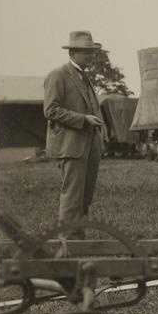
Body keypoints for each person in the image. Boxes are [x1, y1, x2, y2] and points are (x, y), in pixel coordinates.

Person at [43, 30, 108, 239]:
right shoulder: (57, 75)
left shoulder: (84, 76)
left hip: (89, 145)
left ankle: (77, 236)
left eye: (91, 51)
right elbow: (51, 110)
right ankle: (68, 240)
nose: (91, 56)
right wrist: (83, 119)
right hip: (70, 146)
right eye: (86, 52)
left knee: (85, 195)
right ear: (73, 52)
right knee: (72, 195)